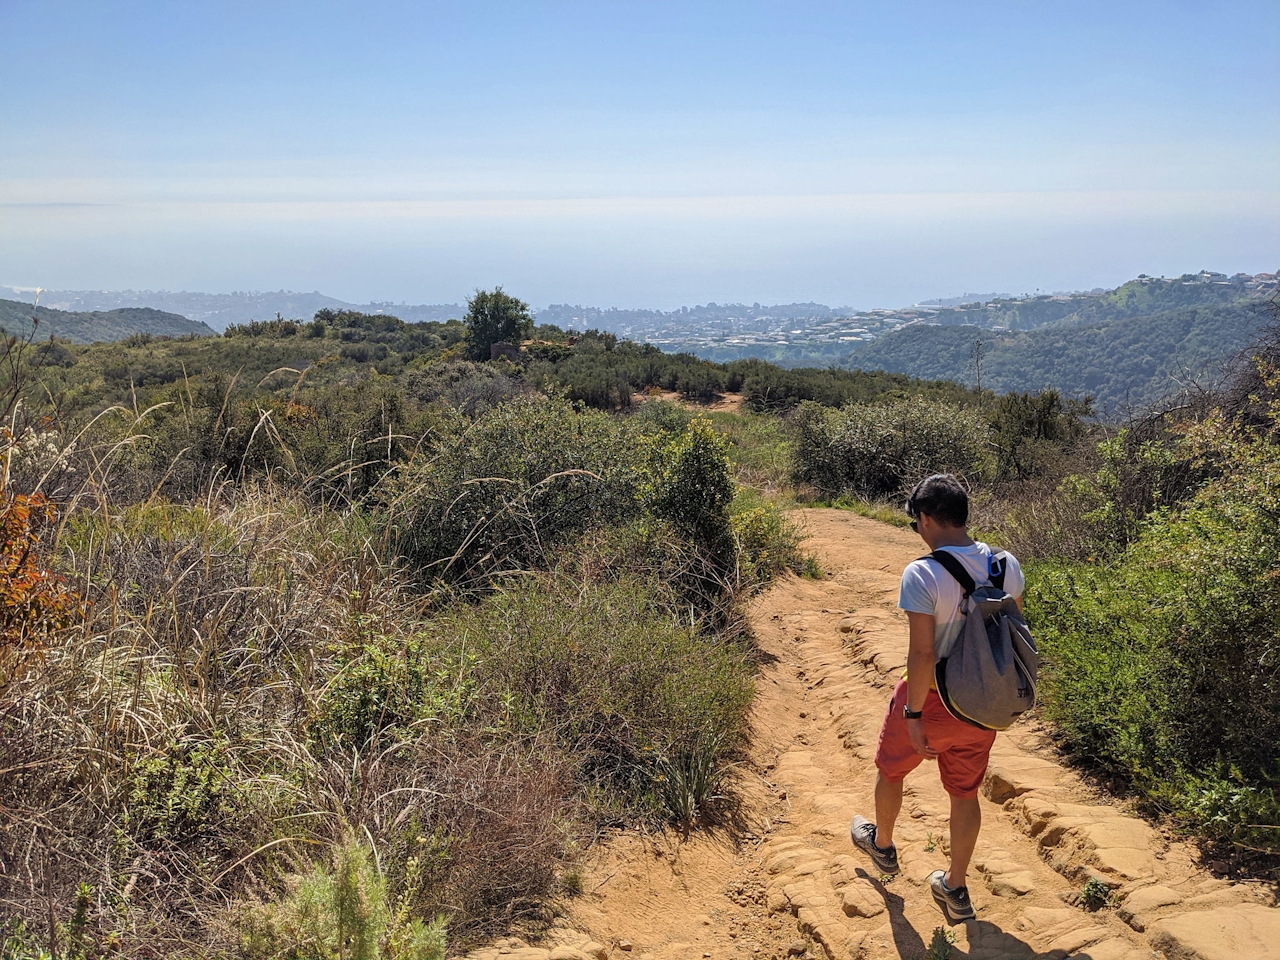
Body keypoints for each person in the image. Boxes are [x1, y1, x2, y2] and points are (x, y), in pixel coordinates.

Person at [848, 473, 1024, 924]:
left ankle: (883, 845)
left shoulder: (922, 573)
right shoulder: (1006, 565)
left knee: (891, 770)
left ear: (926, 519)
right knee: (965, 793)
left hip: (933, 700)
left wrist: (913, 713)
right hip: (983, 704)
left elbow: (923, 652)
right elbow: (1014, 637)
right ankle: (956, 886)